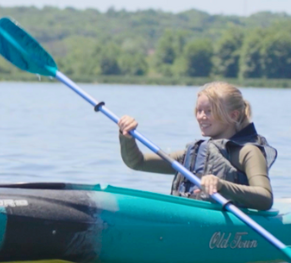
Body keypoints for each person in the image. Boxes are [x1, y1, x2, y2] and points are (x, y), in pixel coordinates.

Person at [117, 82, 276, 211]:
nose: (201, 117)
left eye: (209, 111)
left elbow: (265, 198)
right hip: (193, 219)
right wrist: (127, 137)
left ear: (233, 115)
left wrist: (221, 185)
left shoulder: (249, 152)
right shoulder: (193, 155)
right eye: (199, 110)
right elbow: (137, 162)